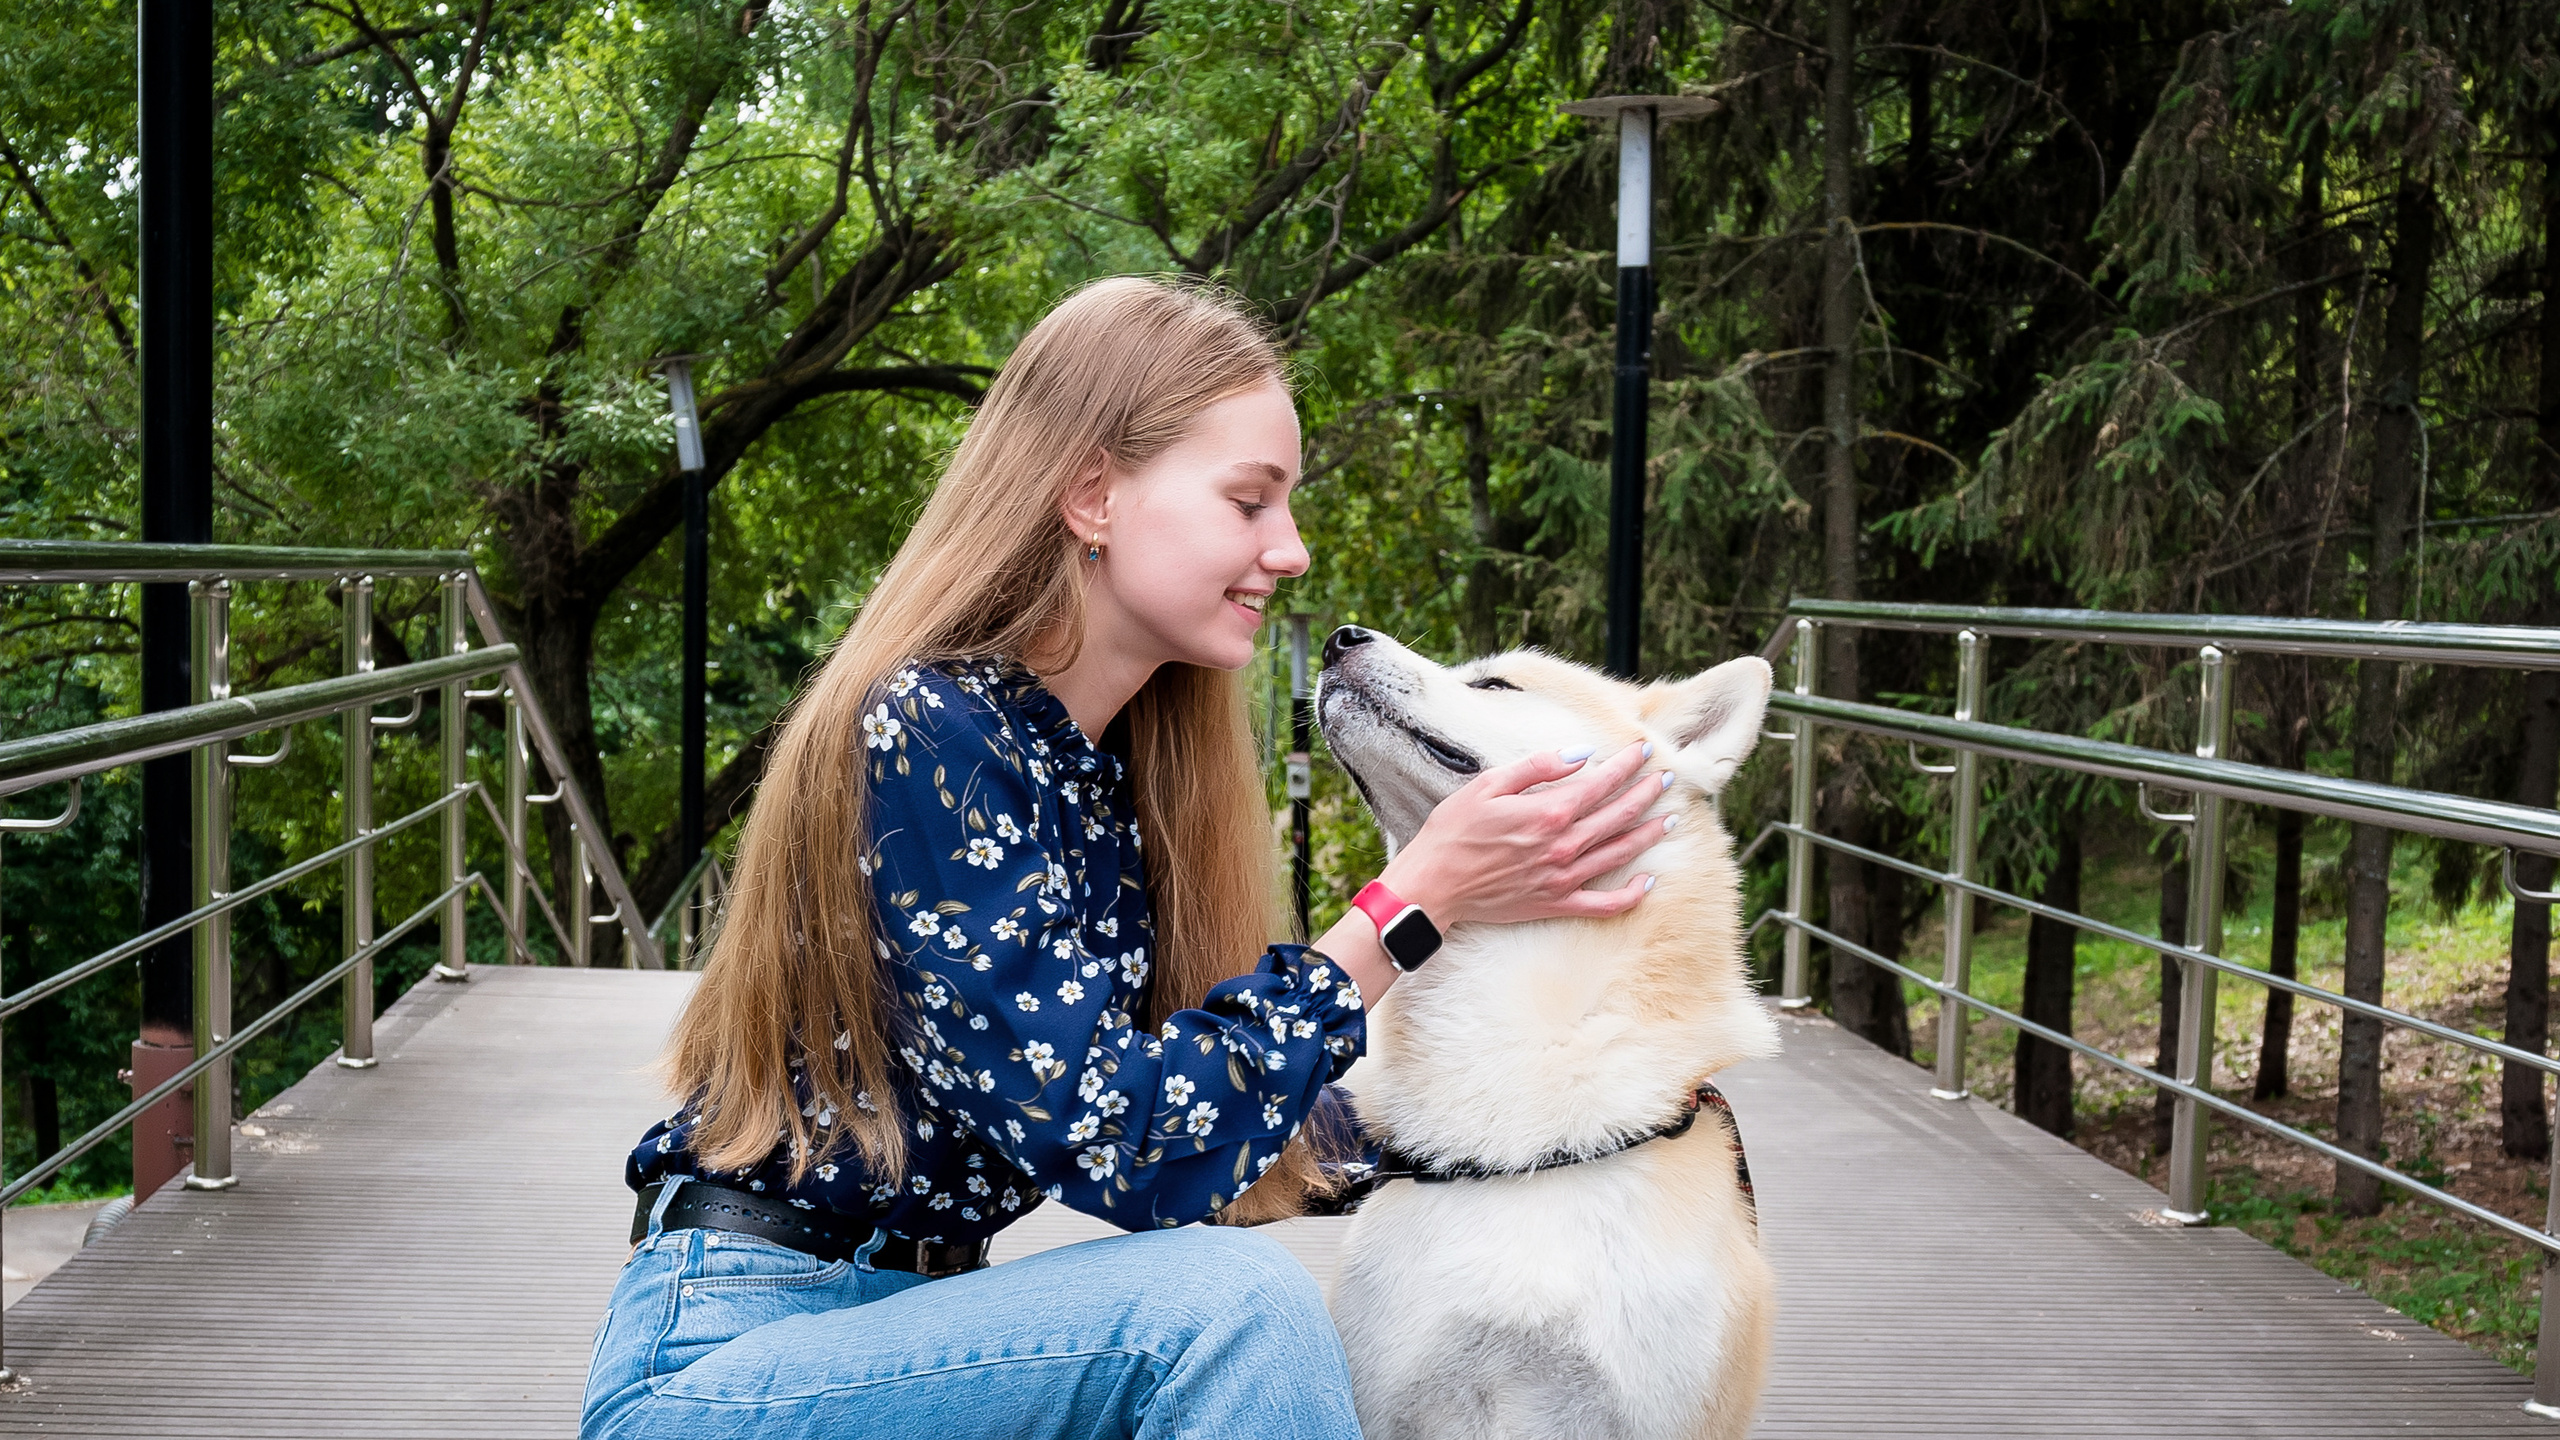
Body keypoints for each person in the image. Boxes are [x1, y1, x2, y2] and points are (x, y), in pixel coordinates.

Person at [581, 276, 1674, 1438]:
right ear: (1093, 492)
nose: (1291, 550)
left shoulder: (1111, 774)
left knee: (1235, 1309)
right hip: (731, 1359)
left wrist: (1621, 1102)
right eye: (1250, 501)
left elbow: (1230, 1128)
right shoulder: (931, 731)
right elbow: (1120, 1139)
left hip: (907, 1336)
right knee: (1228, 1309)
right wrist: (1410, 907)